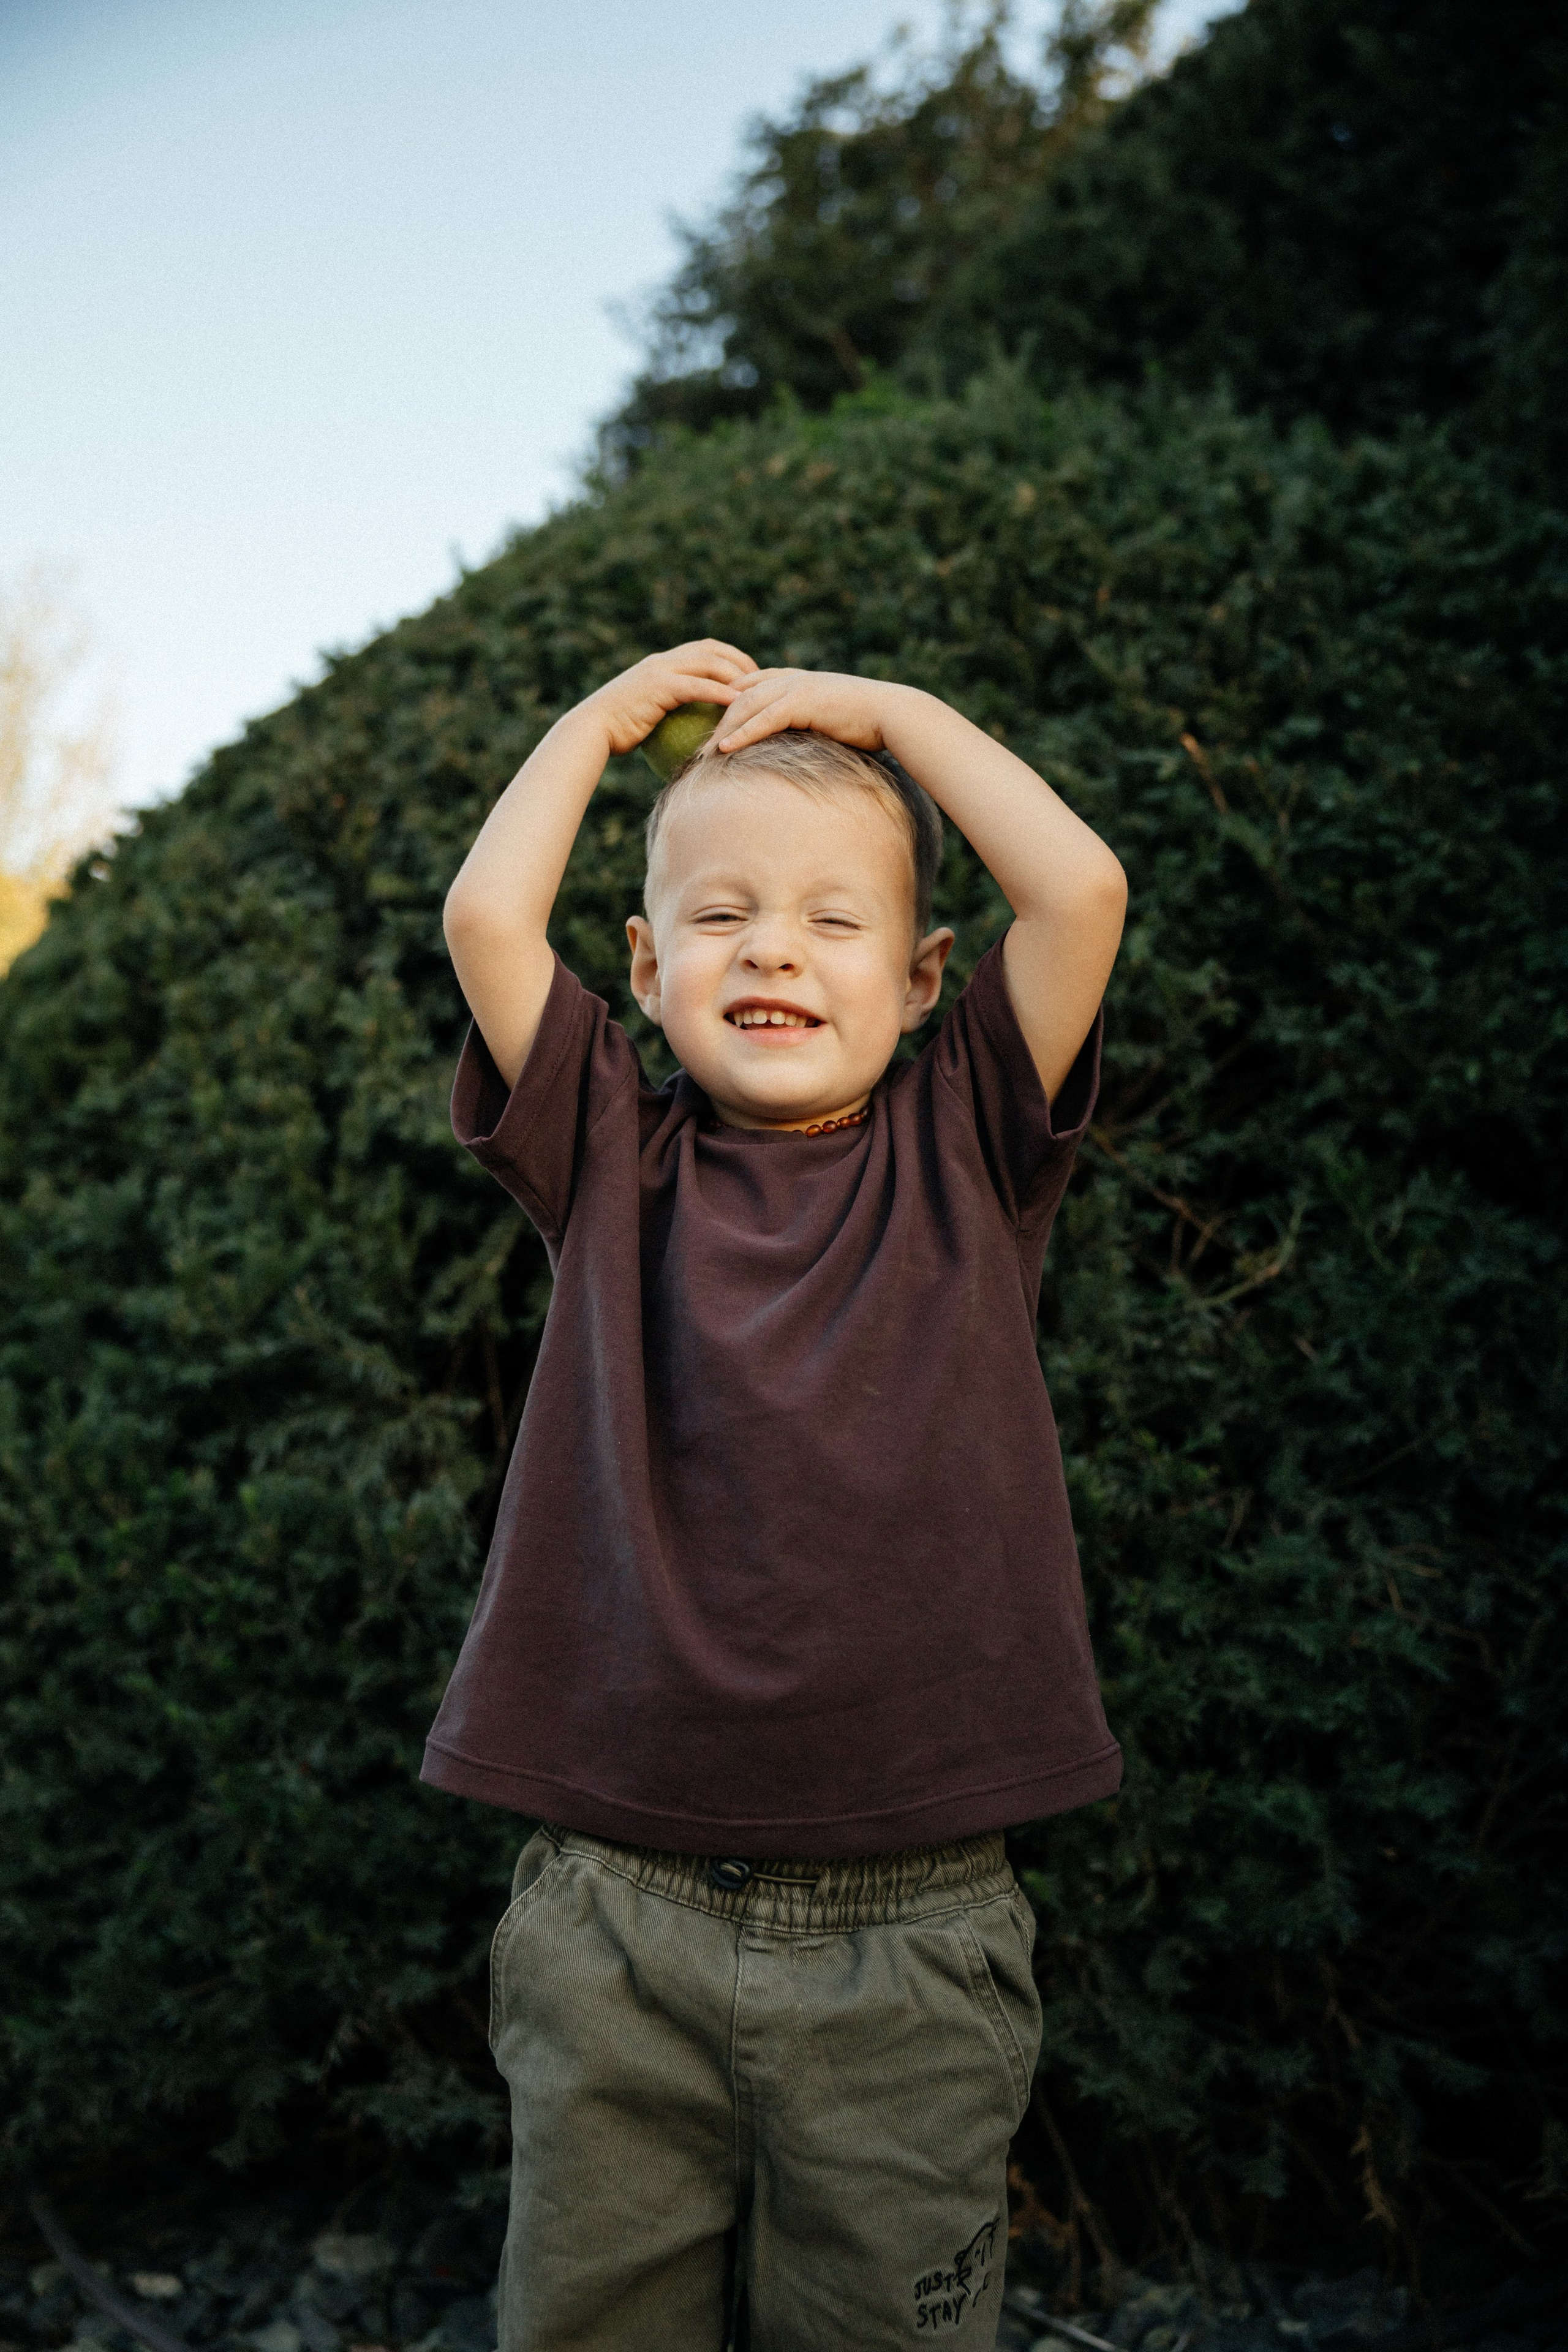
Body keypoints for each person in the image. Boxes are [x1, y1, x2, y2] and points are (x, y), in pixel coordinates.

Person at [426, 641, 1128, 2352]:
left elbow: (1084, 888)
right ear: (653, 969)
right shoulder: (607, 1149)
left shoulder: (968, 1131)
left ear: (919, 977)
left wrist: (893, 718)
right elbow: (488, 928)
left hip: (914, 1923)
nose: (777, 949)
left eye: (834, 920)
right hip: (616, 1910)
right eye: (725, 916)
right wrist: (600, 724)